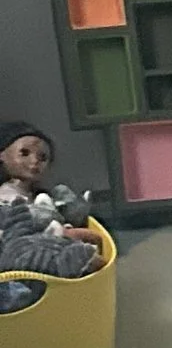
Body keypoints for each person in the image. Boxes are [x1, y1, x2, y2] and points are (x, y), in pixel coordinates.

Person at [0, 120, 103, 314]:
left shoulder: (47, 197)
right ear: (3, 155)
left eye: (43, 157)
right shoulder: (6, 195)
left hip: (47, 247)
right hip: (18, 248)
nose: (35, 161)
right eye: (24, 153)